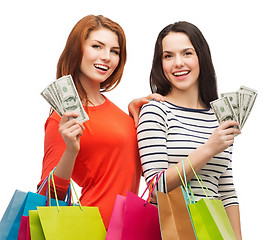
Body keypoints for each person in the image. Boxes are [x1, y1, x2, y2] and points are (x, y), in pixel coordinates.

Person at [38, 14, 164, 229]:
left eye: (114, 51)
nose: (107, 57)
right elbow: (48, 196)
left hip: (131, 228)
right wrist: (70, 150)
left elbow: (144, 167)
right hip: (93, 228)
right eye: (97, 46)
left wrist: (140, 118)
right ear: (77, 50)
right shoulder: (62, 118)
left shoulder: (122, 114)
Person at [137, 21, 242, 239]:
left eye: (187, 53)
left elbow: (227, 190)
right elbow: (156, 187)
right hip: (170, 230)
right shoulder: (156, 111)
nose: (178, 63)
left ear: (201, 57)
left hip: (212, 231)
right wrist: (209, 149)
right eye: (168, 56)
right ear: (160, 64)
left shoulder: (218, 116)